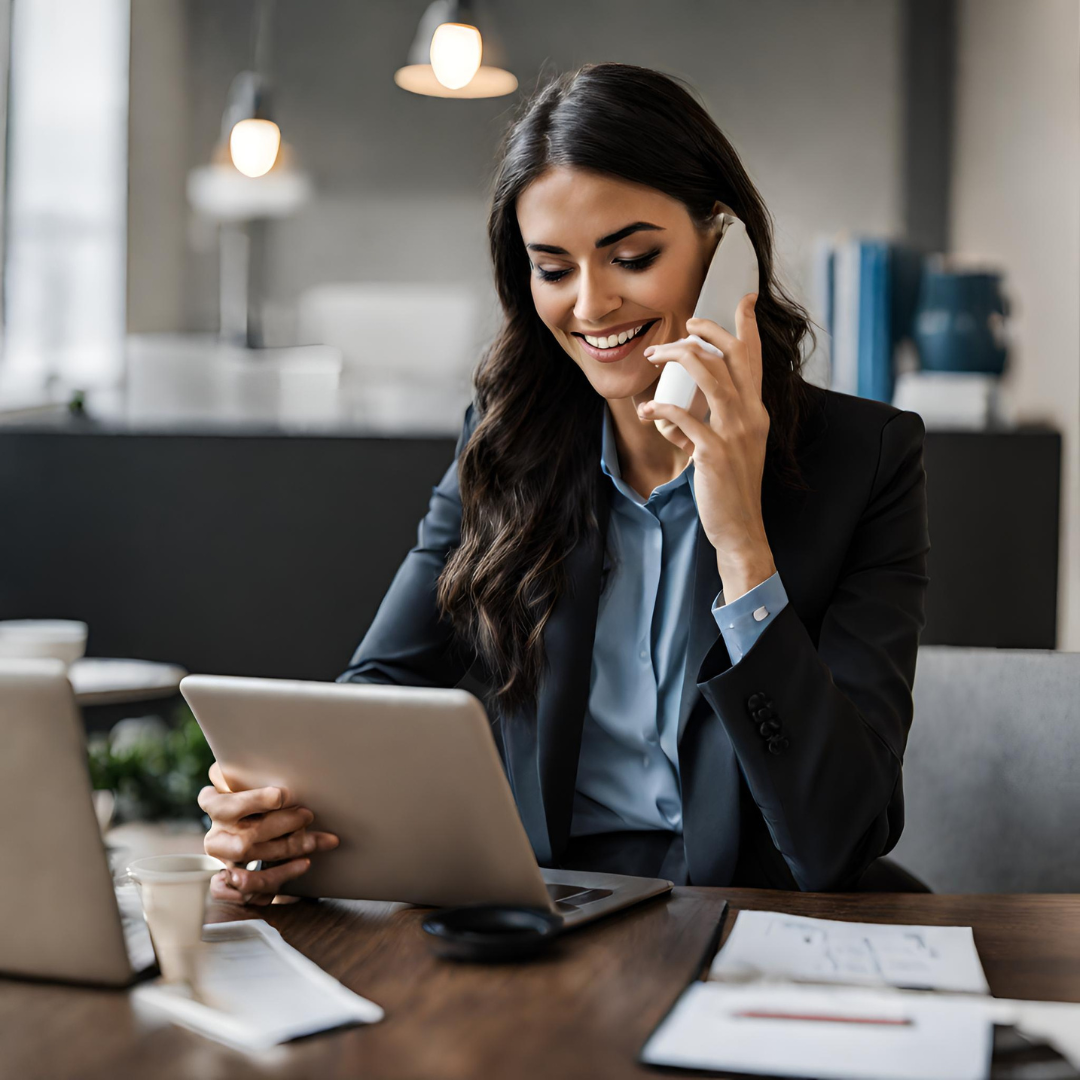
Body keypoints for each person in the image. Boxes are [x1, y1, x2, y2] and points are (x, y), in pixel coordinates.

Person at [199, 62, 930, 905]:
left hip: (757, 917)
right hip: (551, 907)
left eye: (633, 256)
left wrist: (741, 548)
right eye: (554, 268)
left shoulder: (867, 460)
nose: (592, 306)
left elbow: (836, 840)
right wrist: (282, 813)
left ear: (722, 250)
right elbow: (381, 692)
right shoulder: (508, 441)